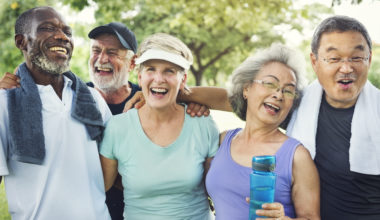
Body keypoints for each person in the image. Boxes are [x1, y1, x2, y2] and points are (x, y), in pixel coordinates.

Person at [0, 6, 111, 220]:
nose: (62, 37)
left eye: (67, 32)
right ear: (21, 42)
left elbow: (115, 167)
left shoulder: (94, 99)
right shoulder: (5, 103)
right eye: (47, 28)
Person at [100, 33, 219, 219]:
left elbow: (218, 189)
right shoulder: (117, 128)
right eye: (151, 69)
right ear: (139, 77)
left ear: (183, 79)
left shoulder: (202, 123)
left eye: (169, 71)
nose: (159, 78)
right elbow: (99, 187)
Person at [205, 44, 320, 219]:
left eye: (288, 91)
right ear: (246, 88)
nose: (279, 95)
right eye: (269, 83)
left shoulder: (297, 156)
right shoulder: (222, 140)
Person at [286, 15, 380, 220]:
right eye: (334, 59)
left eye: (356, 58)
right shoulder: (296, 105)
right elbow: (244, 100)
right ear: (315, 61)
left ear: (369, 59)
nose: (346, 68)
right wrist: (196, 97)